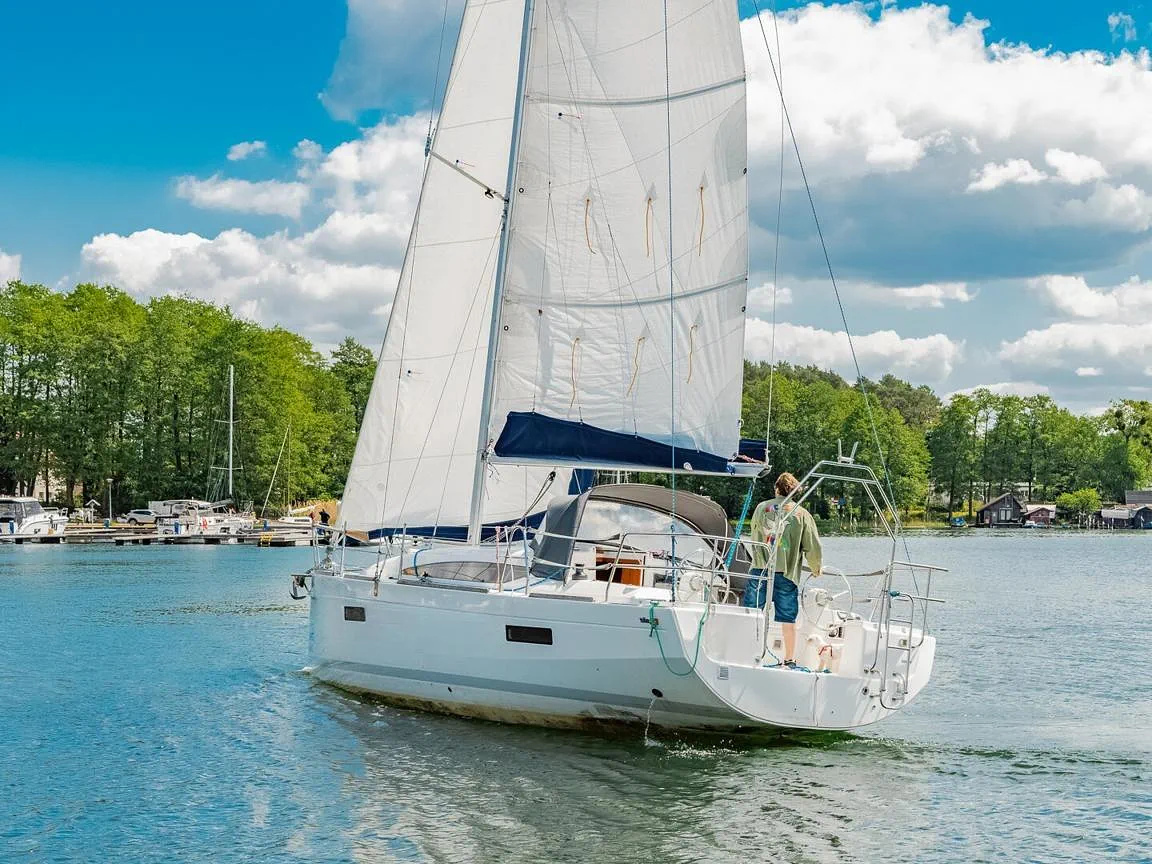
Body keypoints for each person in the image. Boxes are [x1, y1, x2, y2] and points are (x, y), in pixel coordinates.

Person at [744, 472, 823, 669]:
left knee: (752, 614)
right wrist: (816, 568)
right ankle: (789, 659)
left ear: (776, 488)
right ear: (794, 491)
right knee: (788, 619)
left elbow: (754, 532)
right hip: (786, 573)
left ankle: (746, 653)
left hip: (760, 569)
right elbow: (812, 546)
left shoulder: (761, 508)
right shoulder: (801, 514)